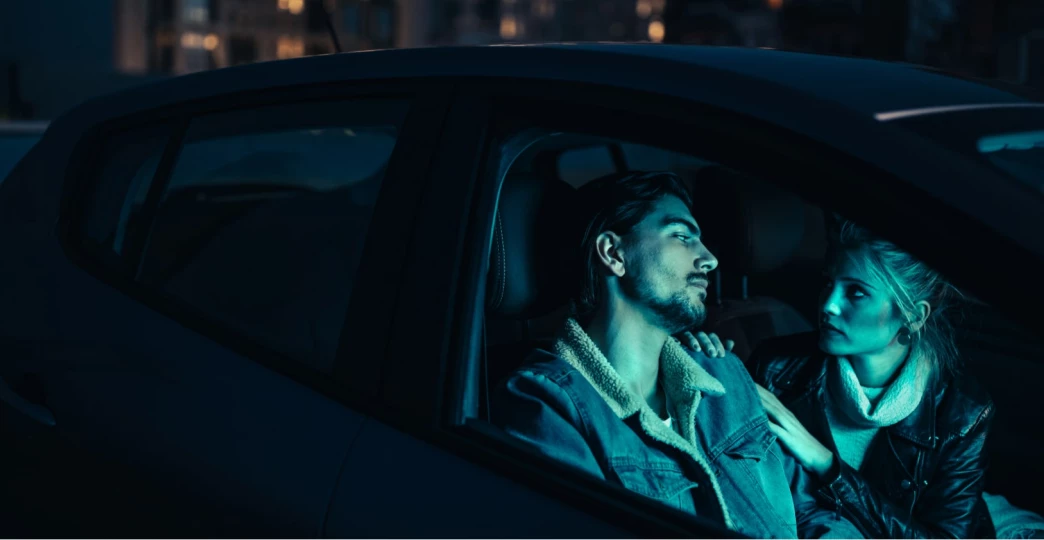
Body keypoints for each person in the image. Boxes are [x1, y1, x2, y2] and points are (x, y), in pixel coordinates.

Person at [490, 171, 860, 538]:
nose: (710, 259)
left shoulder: (724, 376)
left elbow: (808, 511)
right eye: (682, 236)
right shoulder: (546, 405)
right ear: (613, 253)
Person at [748, 215, 995, 538]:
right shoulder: (776, 367)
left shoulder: (961, 413)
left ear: (912, 315)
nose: (829, 305)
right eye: (828, 283)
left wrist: (827, 466)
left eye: (856, 293)